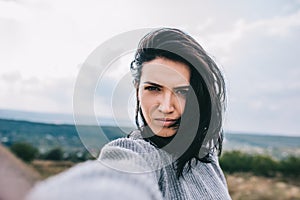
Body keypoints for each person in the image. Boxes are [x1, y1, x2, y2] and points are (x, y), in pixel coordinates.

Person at [26, 28, 231, 200]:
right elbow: (117, 175)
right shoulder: (138, 153)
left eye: (182, 92)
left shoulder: (206, 155)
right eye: (154, 88)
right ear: (137, 88)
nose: (166, 107)